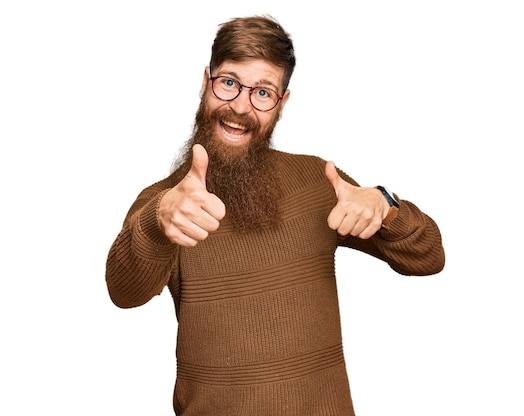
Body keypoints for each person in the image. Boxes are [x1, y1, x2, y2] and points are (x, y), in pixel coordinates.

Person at [106, 14, 445, 416]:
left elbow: (429, 258)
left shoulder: (317, 181)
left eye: (263, 92)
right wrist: (157, 222)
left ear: (282, 104)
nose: (241, 107)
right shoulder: (166, 201)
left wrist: (386, 206)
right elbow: (123, 293)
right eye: (229, 83)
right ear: (205, 82)